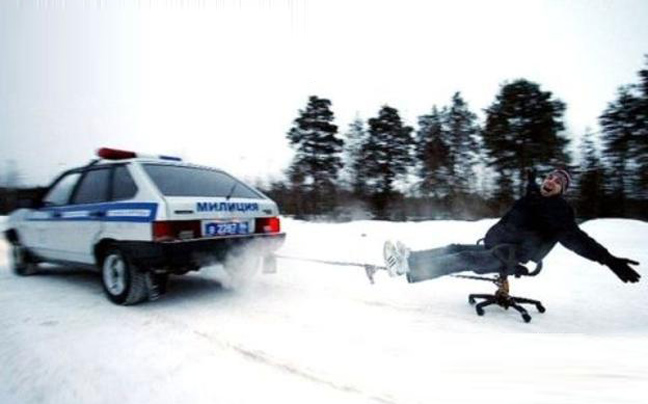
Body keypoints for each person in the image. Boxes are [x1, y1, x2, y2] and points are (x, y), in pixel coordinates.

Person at [383, 168, 641, 284]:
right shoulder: (536, 197)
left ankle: (407, 268)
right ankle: (411, 258)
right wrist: (531, 181)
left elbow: (578, 240)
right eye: (550, 176)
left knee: (463, 258)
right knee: (453, 247)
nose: (551, 181)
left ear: (562, 190)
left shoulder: (560, 210)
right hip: (498, 246)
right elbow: (532, 195)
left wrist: (609, 260)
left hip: (510, 255)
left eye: (558, 181)